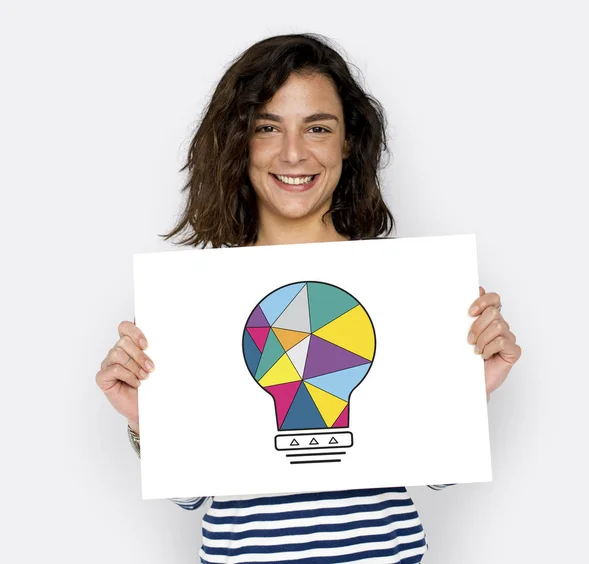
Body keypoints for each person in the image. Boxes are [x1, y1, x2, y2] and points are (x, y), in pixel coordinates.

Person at [96, 33, 522, 564]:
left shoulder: (406, 290)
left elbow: (435, 476)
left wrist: (468, 391)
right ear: (239, 142)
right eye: (267, 127)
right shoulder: (195, 300)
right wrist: (146, 420)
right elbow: (190, 495)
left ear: (348, 141)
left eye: (317, 127)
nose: (293, 152)